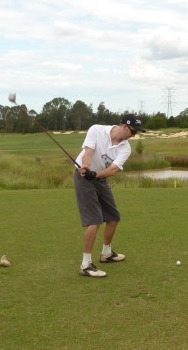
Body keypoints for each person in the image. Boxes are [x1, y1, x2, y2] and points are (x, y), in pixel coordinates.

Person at [73, 114, 145, 278]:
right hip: (83, 177)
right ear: (125, 127)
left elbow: (113, 169)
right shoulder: (97, 130)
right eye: (133, 132)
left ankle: (106, 253)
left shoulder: (125, 148)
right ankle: (85, 265)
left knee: (113, 217)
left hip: (100, 177)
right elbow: (88, 152)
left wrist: (96, 174)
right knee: (95, 220)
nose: (134, 136)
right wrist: (86, 166)